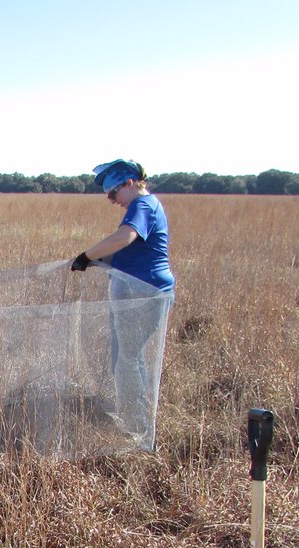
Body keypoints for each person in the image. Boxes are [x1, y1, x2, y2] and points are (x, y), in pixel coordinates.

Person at [70, 159, 175, 445]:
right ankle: (132, 417)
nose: (111, 199)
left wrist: (87, 256)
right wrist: (96, 261)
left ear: (130, 183)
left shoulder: (143, 206)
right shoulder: (143, 206)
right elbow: (130, 251)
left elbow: (124, 237)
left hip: (145, 292)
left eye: (113, 192)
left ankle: (136, 425)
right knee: (127, 356)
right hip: (138, 291)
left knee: (129, 358)